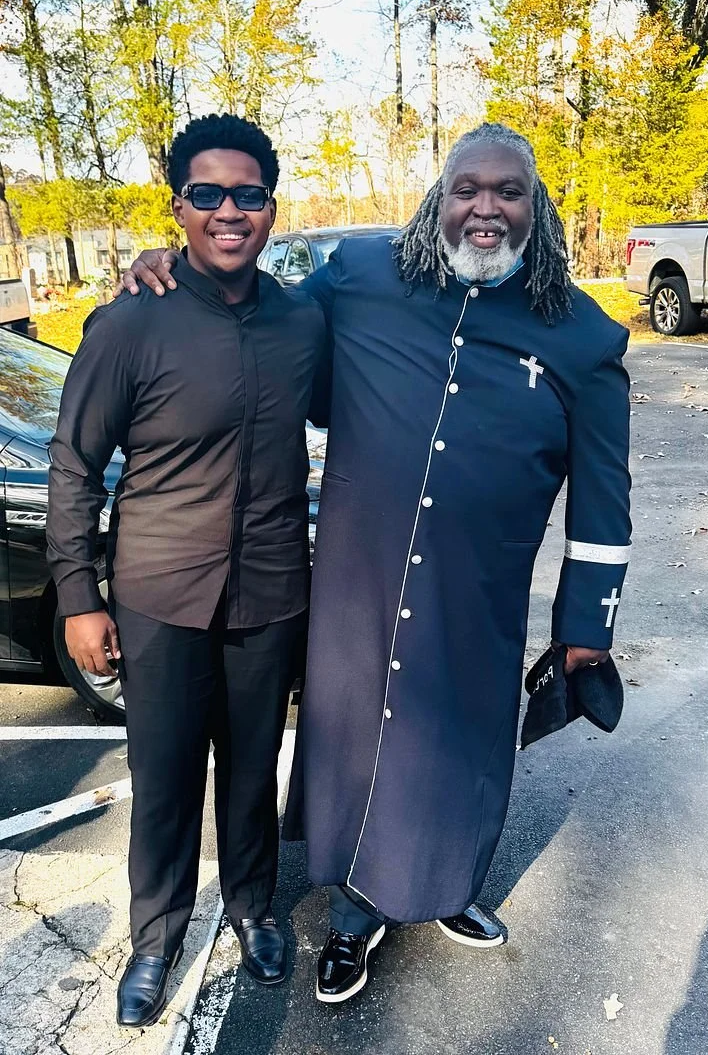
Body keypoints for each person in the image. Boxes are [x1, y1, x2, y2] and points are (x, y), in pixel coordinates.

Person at [121, 121, 632, 1005]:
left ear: (534, 206)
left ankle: (443, 886)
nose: (485, 207)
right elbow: (257, 313)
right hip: (358, 578)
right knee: (360, 743)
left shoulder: (581, 337)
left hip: (477, 591)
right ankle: (355, 916)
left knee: (461, 751)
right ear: (439, 196)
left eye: (507, 192)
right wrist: (170, 265)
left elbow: (603, 505)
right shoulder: (363, 277)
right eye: (467, 188)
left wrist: (585, 631)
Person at [47, 113, 326, 1027]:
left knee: (252, 774)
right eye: (207, 195)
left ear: (271, 209)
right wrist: (80, 601)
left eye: (247, 194)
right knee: (164, 779)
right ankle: (157, 935)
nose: (228, 211)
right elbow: (74, 467)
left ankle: (252, 909)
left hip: (271, 593)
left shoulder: (303, 324)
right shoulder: (131, 323)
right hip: (159, 594)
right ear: (180, 208)